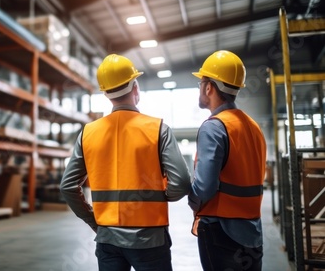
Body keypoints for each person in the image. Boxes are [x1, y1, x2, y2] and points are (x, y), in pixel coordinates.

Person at [60, 54, 191, 271]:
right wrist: (161, 196)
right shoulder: (158, 129)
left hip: (107, 238)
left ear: (106, 93)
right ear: (135, 86)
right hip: (150, 238)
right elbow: (182, 183)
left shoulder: (88, 133)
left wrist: (94, 221)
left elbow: (67, 187)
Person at [188, 50, 267, 271]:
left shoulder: (214, 126)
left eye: (201, 83)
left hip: (221, 231)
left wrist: (192, 200)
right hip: (252, 231)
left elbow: (204, 187)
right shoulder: (253, 126)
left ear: (209, 87)